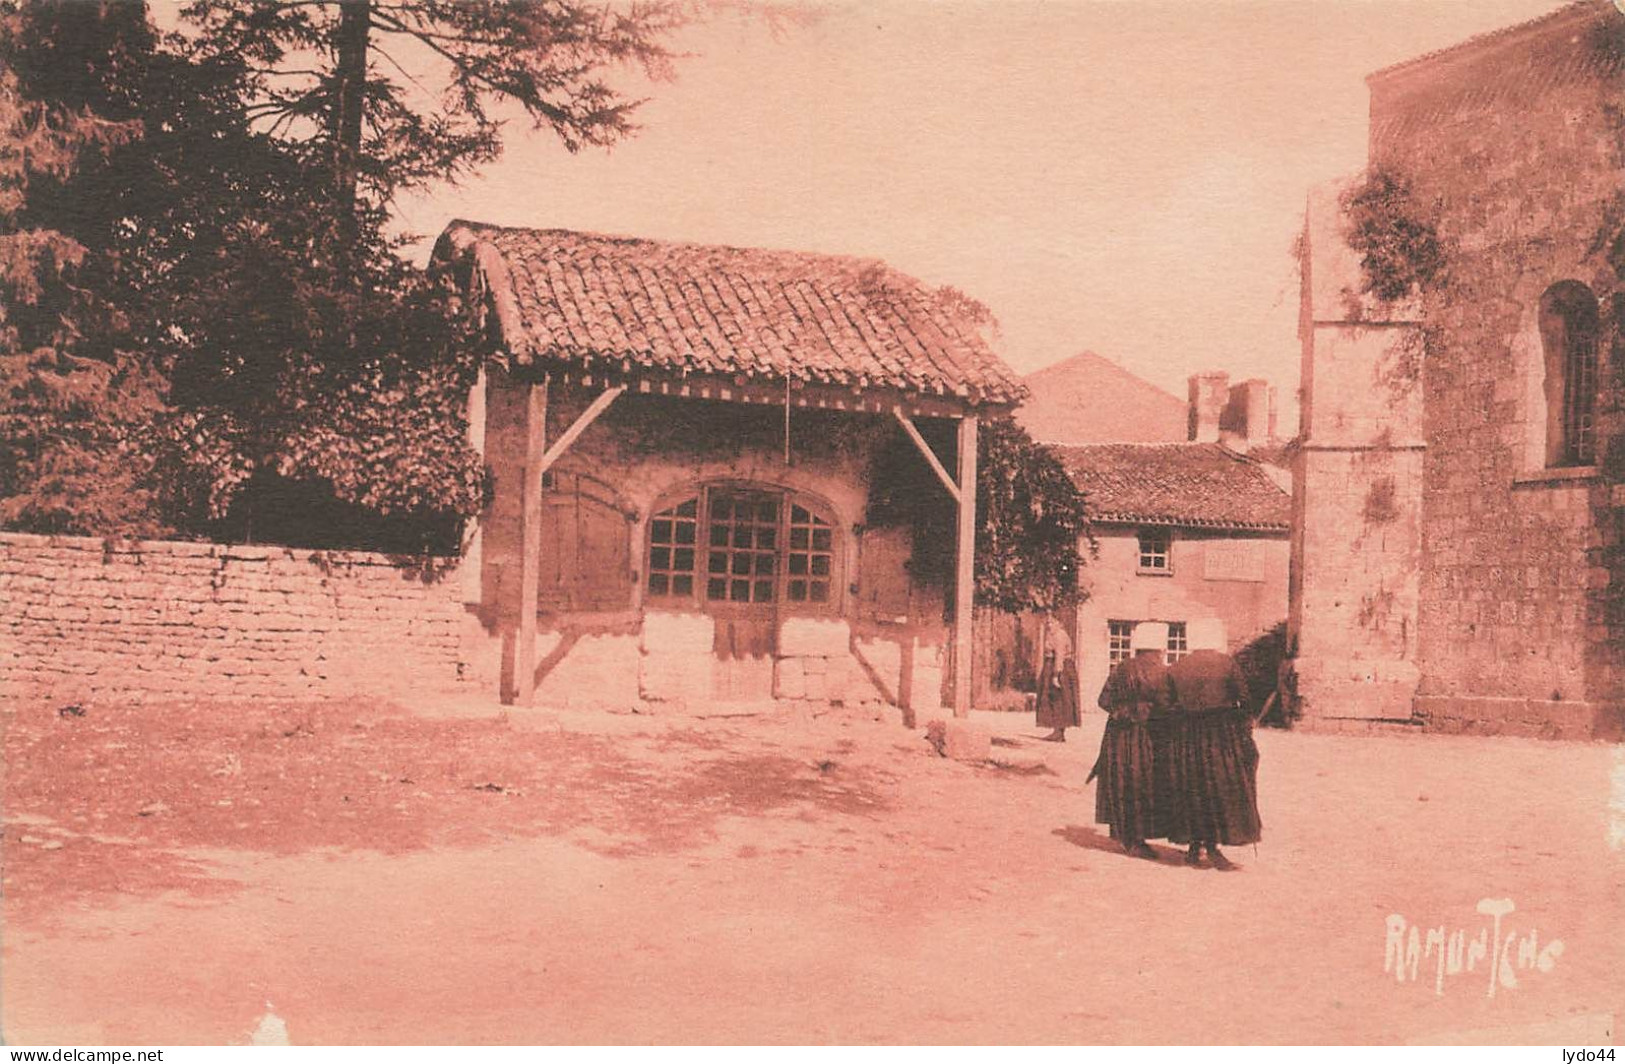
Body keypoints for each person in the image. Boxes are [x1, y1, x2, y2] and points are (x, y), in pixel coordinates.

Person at [1165, 618, 1262, 871]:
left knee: (1192, 787)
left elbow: (1166, 706)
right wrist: (1242, 731)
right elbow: (1245, 700)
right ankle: (1212, 846)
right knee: (1218, 786)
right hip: (1220, 735)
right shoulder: (1227, 665)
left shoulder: (1176, 668)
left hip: (1185, 736)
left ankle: (1195, 846)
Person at [1090, 621, 1171, 860]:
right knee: (1144, 782)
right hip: (1146, 735)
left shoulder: (1121, 668)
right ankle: (1137, 839)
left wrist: (1123, 711)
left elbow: (1103, 701)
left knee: (1121, 781)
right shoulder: (1162, 672)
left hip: (1118, 736)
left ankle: (1125, 834)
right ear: (1159, 648)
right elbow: (1166, 706)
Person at [1035, 648, 1080, 741]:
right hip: (1056, 667)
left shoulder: (1059, 635)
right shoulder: (1054, 634)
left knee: (1058, 700)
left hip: (1060, 670)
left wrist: (1056, 675)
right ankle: (1058, 731)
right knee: (1057, 700)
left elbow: (1060, 655)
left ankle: (1058, 732)